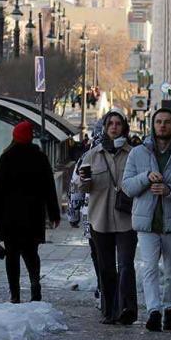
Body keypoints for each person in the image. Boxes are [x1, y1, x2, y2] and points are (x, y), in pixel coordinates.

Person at [122, 108, 171, 332]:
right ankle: (154, 311)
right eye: (158, 122)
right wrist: (145, 178)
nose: (162, 126)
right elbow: (127, 187)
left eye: (167, 122)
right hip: (146, 223)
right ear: (153, 125)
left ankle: (170, 310)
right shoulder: (138, 153)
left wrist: (170, 190)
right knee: (149, 268)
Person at [0, 121, 61, 303]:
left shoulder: (7, 157)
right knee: (31, 254)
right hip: (33, 216)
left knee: (12, 256)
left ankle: (15, 294)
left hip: (10, 217)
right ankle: (35, 285)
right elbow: (49, 188)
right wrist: (54, 213)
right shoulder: (40, 157)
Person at [79, 111, 138, 325]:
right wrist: (84, 181)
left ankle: (128, 309)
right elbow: (83, 186)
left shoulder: (134, 154)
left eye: (118, 123)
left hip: (126, 219)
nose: (114, 127)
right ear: (104, 127)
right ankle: (109, 310)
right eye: (110, 124)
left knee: (125, 265)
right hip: (100, 218)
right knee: (106, 268)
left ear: (124, 127)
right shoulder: (93, 155)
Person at [67, 121, 105, 310]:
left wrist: (73, 215)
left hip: (90, 213)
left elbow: (75, 188)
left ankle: (102, 285)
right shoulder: (127, 153)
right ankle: (109, 287)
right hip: (117, 213)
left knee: (97, 252)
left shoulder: (86, 157)